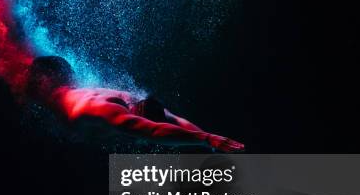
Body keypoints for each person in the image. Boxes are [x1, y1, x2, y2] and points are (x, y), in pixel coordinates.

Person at [26, 56, 244, 152]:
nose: (139, 138)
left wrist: (211, 145)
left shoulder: (132, 99)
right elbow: (154, 130)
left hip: (61, 78)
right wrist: (206, 138)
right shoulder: (109, 112)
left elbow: (174, 120)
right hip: (47, 90)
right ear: (137, 116)